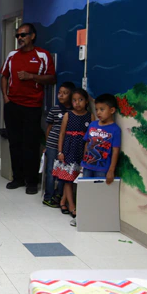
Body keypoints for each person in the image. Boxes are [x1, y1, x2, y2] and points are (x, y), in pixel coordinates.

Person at [1, 23, 56, 195]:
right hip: (12, 105)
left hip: (32, 106)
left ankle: (31, 181)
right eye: (17, 36)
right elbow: (4, 76)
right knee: (14, 143)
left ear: (32, 36)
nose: (20, 39)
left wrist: (31, 76)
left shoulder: (42, 55)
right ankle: (17, 178)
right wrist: (5, 96)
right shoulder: (12, 55)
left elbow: (51, 78)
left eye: (23, 35)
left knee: (30, 144)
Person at [52, 88, 94, 227]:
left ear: (86, 101)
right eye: (74, 100)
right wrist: (60, 151)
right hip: (69, 149)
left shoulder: (90, 116)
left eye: (80, 100)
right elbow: (62, 134)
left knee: (75, 176)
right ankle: (72, 206)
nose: (77, 103)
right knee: (68, 179)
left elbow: (92, 136)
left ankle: (63, 202)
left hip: (82, 149)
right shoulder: (68, 115)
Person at [42, 81, 76, 208]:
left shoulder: (73, 112)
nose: (61, 95)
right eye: (59, 93)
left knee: (63, 171)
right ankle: (48, 196)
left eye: (65, 93)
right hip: (52, 144)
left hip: (66, 147)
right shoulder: (54, 109)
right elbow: (49, 128)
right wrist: (46, 144)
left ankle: (59, 195)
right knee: (51, 170)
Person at [81, 93, 121, 184]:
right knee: (86, 190)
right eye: (96, 109)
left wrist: (111, 170)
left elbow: (115, 151)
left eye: (102, 109)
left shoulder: (115, 130)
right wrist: (84, 160)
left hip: (102, 168)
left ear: (112, 110)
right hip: (87, 166)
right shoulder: (92, 124)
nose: (98, 112)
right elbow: (87, 142)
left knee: (99, 192)